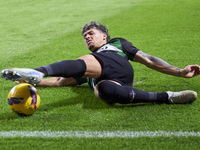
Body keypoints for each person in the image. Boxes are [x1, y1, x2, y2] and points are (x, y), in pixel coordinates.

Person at [1, 21, 200, 104]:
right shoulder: (85, 68)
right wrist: (27, 83)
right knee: (103, 91)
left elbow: (149, 60)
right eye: (85, 36)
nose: (87, 38)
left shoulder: (117, 44)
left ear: (104, 36)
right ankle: (169, 97)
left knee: (84, 63)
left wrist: (180, 72)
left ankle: (37, 71)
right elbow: (61, 81)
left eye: (91, 34)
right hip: (112, 83)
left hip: (118, 66)